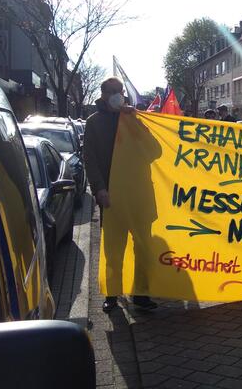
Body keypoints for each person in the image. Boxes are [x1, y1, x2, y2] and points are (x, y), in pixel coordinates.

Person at [83, 77, 158, 313]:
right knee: (113, 249)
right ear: (103, 94)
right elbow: (90, 159)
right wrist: (99, 189)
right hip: (111, 196)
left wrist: (135, 122)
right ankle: (112, 294)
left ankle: (141, 293)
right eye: (113, 91)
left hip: (140, 194)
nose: (118, 95)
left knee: (143, 246)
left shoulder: (134, 119)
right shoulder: (93, 123)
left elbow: (155, 151)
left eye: (120, 91)